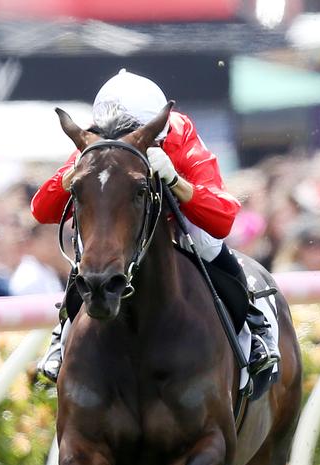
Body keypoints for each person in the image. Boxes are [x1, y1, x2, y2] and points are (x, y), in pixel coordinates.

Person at [30, 69, 279, 389]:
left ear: (157, 131)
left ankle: (253, 326)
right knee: (89, 252)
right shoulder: (93, 144)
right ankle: (62, 335)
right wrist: (70, 177)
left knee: (207, 244)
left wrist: (177, 182)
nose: (126, 144)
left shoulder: (180, 134)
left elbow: (223, 218)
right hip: (123, 223)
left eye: (137, 135)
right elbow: (41, 210)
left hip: (176, 219)